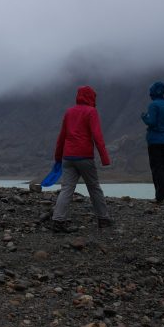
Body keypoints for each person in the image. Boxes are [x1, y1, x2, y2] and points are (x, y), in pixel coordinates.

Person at [50, 85, 112, 232]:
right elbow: (97, 136)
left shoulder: (69, 112)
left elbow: (62, 136)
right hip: (84, 156)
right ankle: (103, 219)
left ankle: (58, 220)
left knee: (66, 189)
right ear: (91, 97)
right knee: (94, 187)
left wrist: (58, 157)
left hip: (68, 157)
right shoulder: (91, 112)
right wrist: (105, 158)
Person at [141, 81, 164, 204]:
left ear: (152, 92)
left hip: (154, 140)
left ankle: (160, 196)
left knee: (157, 168)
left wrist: (144, 117)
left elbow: (151, 122)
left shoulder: (153, 106)